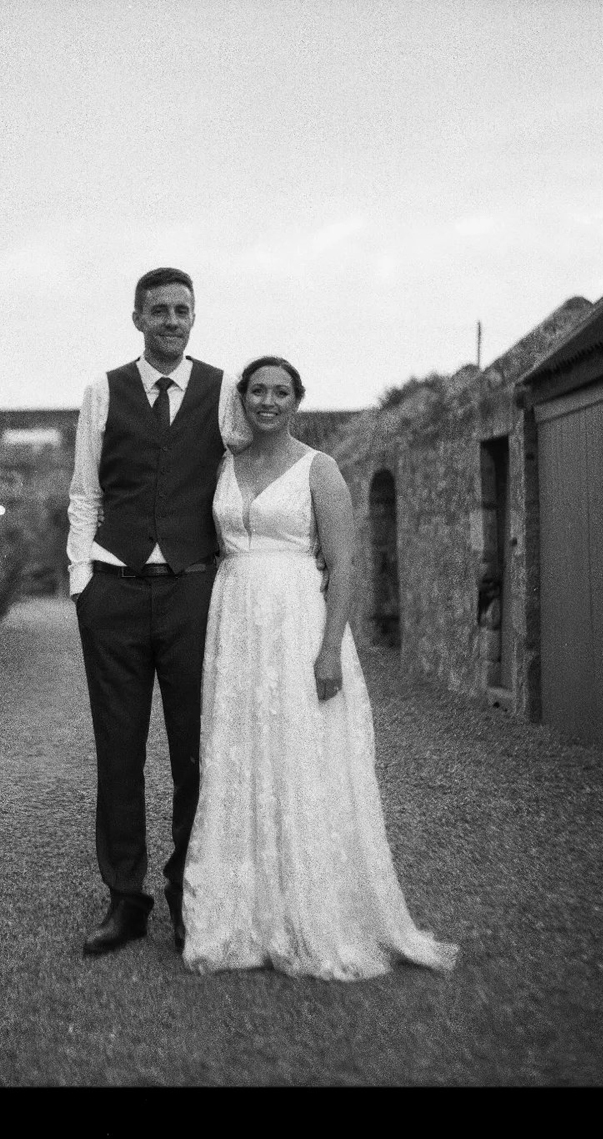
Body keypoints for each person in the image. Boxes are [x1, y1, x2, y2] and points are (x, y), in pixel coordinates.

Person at [181, 356, 459, 980]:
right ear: (242, 398)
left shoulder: (320, 469)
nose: (269, 402)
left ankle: (313, 908)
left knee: (303, 753)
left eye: (281, 392)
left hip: (298, 622)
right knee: (242, 753)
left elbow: (344, 565)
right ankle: (243, 912)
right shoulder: (224, 465)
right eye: (258, 391)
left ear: (298, 400)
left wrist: (330, 648)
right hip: (235, 624)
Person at [68, 267, 250, 957]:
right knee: (117, 752)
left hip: (193, 592)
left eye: (183, 311)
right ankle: (126, 898)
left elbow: (250, 471)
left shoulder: (225, 390)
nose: (172, 321)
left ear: (195, 318)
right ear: (137, 318)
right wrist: (83, 578)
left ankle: (187, 893)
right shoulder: (102, 390)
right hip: (114, 590)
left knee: (195, 754)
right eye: (159, 311)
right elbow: (85, 490)